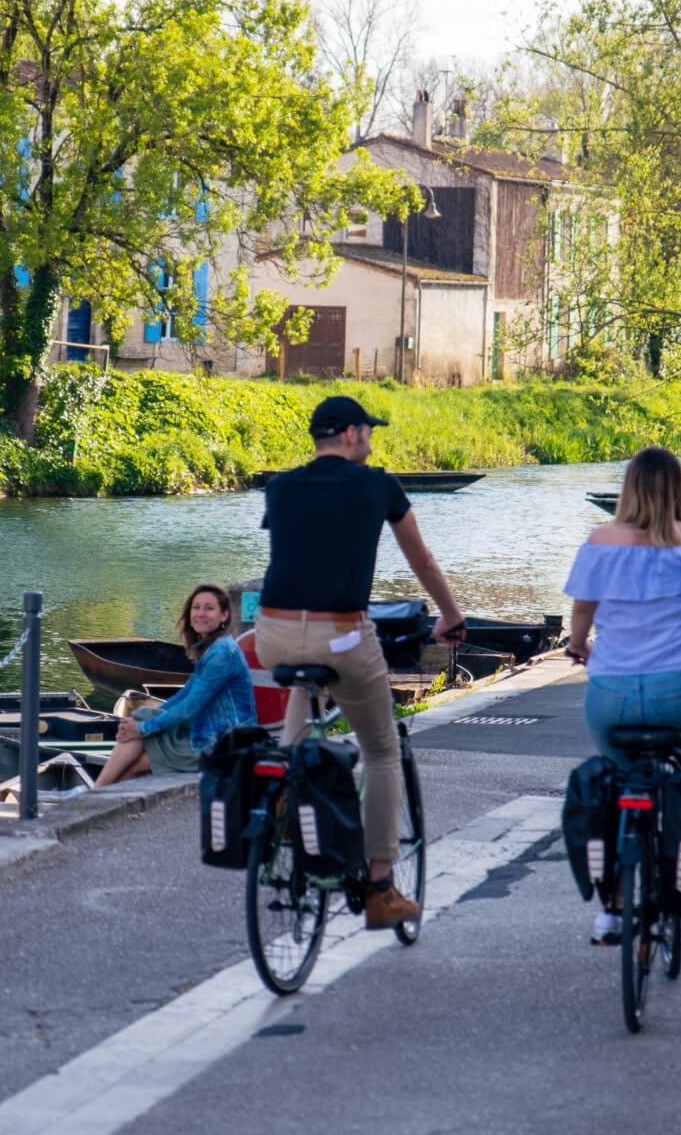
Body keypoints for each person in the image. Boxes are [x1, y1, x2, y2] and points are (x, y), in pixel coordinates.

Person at [257, 395, 464, 930]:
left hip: (273, 634)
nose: (372, 443)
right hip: (341, 637)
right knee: (380, 750)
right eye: (369, 433)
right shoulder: (378, 484)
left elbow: (298, 556)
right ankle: (379, 886)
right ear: (350, 434)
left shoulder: (280, 487)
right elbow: (421, 558)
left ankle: (283, 787)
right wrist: (450, 615)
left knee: (304, 680)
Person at [564, 444, 681, 945]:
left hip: (610, 696)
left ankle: (611, 908)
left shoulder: (600, 540)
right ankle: (680, 863)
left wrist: (579, 648)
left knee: (615, 775)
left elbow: (582, 612)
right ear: (677, 489)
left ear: (628, 489)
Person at [94, 584, 255, 788]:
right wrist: (143, 722)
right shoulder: (212, 648)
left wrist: (143, 728)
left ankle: (93, 796)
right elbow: (184, 695)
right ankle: (95, 796)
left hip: (224, 744)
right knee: (141, 716)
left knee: (135, 763)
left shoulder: (221, 655)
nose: (200, 614)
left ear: (224, 615)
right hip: (208, 734)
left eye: (209, 608)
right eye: (196, 608)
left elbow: (191, 707)